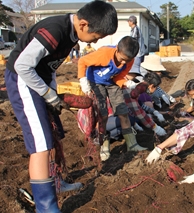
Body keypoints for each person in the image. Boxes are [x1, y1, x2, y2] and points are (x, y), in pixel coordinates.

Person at [4, 1, 118, 212]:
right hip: (24, 82)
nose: (96, 41)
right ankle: (46, 206)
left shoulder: (72, 34)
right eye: (97, 37)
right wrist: (48, 94)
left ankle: (56, 183)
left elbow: (50, 67)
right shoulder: (56, 30)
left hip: (42, 82)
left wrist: (53, 92)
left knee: (54, 135)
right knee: (42, 145)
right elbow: (22, 66)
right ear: (83, 25)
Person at [78, 36, 147, 162]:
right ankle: (104, 146)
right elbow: (82, 61)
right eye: (122, 59)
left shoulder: (128, 60)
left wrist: (126, 83)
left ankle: (132, 144)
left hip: (111, 83)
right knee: (103, 114)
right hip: (95, 82)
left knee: (123, 112)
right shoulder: (104, 54)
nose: (123, 63)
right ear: (117, 50)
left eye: (127, 61)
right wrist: (83, 81)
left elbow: (118, 77)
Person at [123, 72, 167, 136]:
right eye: (156, 88)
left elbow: (140, 105)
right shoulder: (131, 91)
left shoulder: (137, 89)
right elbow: (138, 112)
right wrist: (156, 128)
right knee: (133, 119)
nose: (155, 90)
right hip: (112, 120)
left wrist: (154, 111)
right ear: (151, 86)